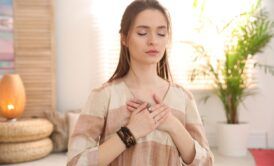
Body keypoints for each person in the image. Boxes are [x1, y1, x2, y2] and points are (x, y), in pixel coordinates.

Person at [67, 0, 214, 165]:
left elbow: (206, 162)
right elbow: (75, 162)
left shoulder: (183, 98)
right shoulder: (103, 96)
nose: (153, 41)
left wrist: (173, 125)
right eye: (143, 33)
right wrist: (130, 132)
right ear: (124, 38)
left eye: (161, 33)